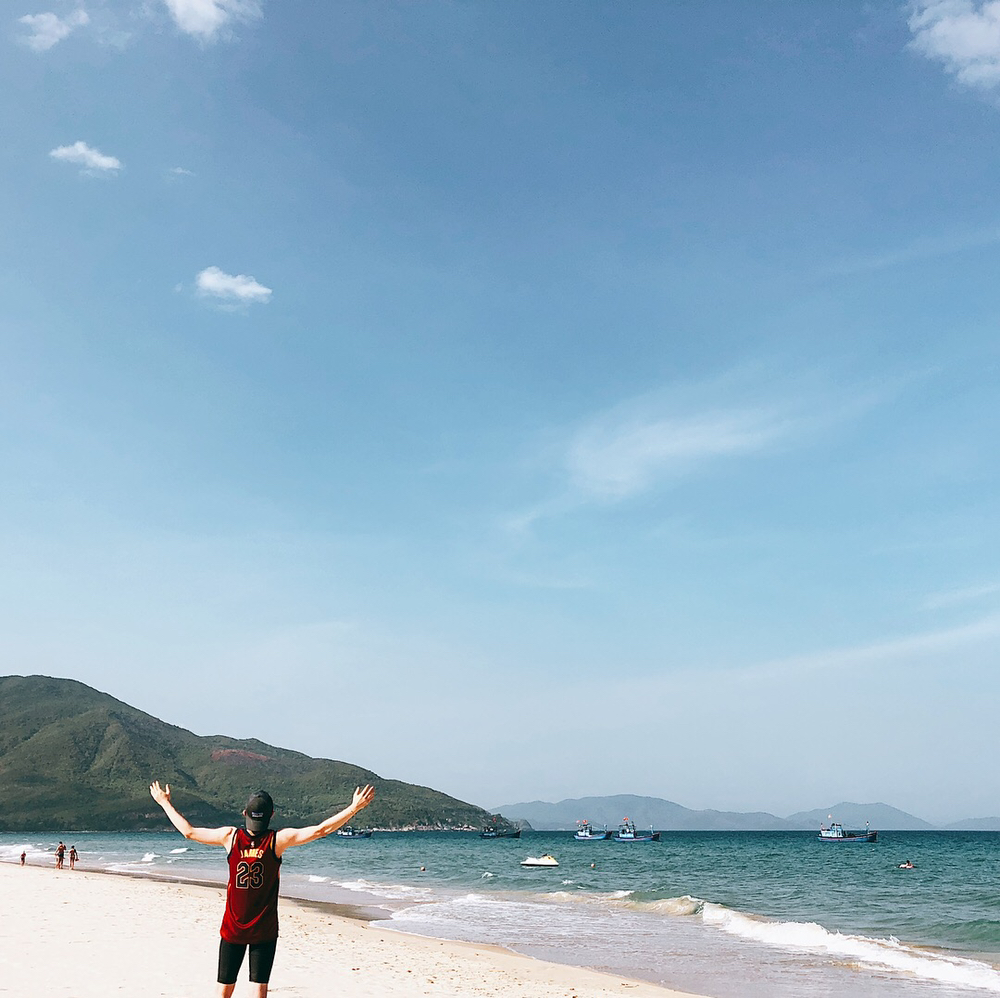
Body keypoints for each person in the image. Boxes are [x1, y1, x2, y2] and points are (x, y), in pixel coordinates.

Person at [150, 779, 375, 998]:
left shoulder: (230, 836)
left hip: (232, 928)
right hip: (264, 930)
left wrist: (164, 802)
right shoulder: (277, 840)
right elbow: (320, 830)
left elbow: (188, 832)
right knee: (258, 990)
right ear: (272, 815)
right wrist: (353, 808)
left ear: (244, 814)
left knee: (223, 990)